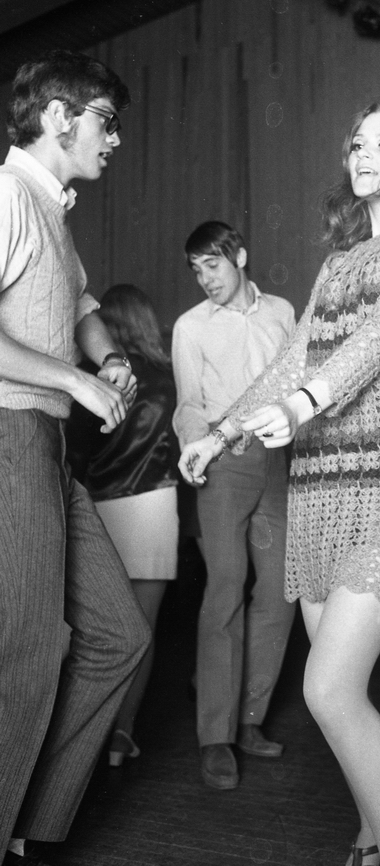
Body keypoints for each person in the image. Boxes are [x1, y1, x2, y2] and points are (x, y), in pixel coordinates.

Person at [178, 102, 380, 866]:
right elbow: (292, 357)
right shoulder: (338, 261)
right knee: (336, 696)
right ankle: (372, 836)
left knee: (328, 689)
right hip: (319, 487)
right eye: (355, 143)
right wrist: (223, 431)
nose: (363, 154)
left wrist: (303, 403)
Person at [0, 50, 151, 866]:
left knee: (118, 637)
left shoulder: (52, 212)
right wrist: (74, 380)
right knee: (25, 656)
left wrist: (107, 358)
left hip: (49, 450)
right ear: (58, 117)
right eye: (106, 121)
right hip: (10, 438)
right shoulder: (5, 195)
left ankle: (26, 824)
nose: (115, 139)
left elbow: (83, 305)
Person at [172, 221, 296, 790]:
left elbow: (298, 385)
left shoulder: (282, 313)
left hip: (276, 460)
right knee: (225, 586)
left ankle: (250, 718)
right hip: (221, 461)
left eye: (213, 265)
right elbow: (188, 404)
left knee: (279, 590)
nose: (205, 278)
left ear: (239, 257)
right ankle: (215, 738)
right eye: (196, 269)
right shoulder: (190, 326)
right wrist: (196, 445)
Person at [65, 284, 180, 768]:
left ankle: (85, 741)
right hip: (155, 504)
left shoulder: (90, 381)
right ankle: (122, 735)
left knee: (96, 633)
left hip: (99, 507)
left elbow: (76, 452)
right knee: (143, 629)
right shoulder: (169, 379)